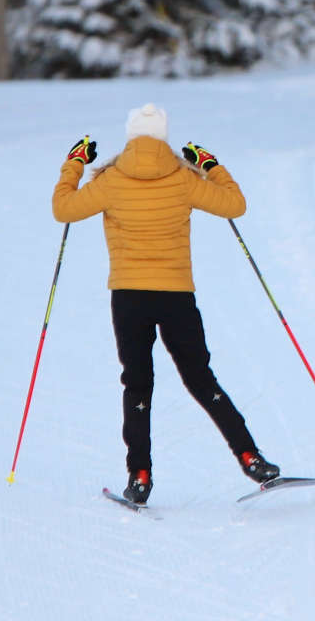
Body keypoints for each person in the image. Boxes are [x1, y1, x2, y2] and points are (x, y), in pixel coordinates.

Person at [52, 103, 280, 504]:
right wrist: (209, 164)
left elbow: (63, 209)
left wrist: (73, 163)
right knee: (201, 379)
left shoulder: (111, 180)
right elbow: (235, 205)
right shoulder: (182, 178)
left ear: (130, 137)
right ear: (164, 138)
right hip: (177, 296)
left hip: (129, 298)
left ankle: (139, 476)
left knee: (138, 384)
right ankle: (251, 458)